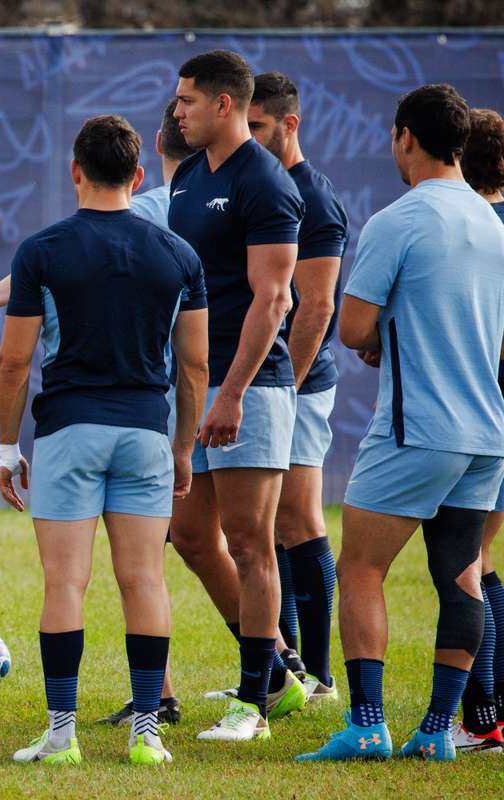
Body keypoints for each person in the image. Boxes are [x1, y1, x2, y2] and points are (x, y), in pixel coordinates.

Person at [298, 84, 504, 762]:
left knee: (359, 568)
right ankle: (439, 733)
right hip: (485, 431)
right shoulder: (491, 221)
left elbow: (352, 323)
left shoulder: (399, 218)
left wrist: (381, 334)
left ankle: (366, 724)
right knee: (462, 575)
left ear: (406, 137)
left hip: (418, 426)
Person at [0, 114, 207, 767]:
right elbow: (195, 366)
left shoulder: (44, 249)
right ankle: (148, 733)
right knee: (144, 579)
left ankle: (63, 736)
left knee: (66, 582)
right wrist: (181, 445)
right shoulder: (179, 254)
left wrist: (7, 449)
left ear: (75, 171)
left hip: (69, 429)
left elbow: (12, 362)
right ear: (139, 176)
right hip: (147, 429)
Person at [167, 50, 308, 741]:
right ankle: (277, 673)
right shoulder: (188, 178)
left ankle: (253, 704)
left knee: (252, 544)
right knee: (191, 535)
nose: (178, 111)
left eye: (188, 99)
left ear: (224, 104)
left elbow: (274, 298)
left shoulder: (267, 182)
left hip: (249, 390)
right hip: (193, 386)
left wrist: (231, 393)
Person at [247, 72, 348, 702]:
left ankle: (319, 674)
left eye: (258, 127)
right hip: (266, 381)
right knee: (264, 526)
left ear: (290, 124)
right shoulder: (259, 185)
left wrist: (288, 385)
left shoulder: (312, 196)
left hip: (298, 384)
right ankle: (283, 670)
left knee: (299, 518)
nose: (248, 139)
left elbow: (314, 309)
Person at [96, 98, 196, 729]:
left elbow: (68, 249)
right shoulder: (218, 207)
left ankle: (274, 667)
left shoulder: (157, 209)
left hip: (141, 406)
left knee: (143, 565)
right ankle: (279, 666)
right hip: (173, 402)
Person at [449, 106, 504, 753]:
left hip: (476, 418)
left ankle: (484, 716)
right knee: (483, 562)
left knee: (470, 566)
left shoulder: (469, 229)